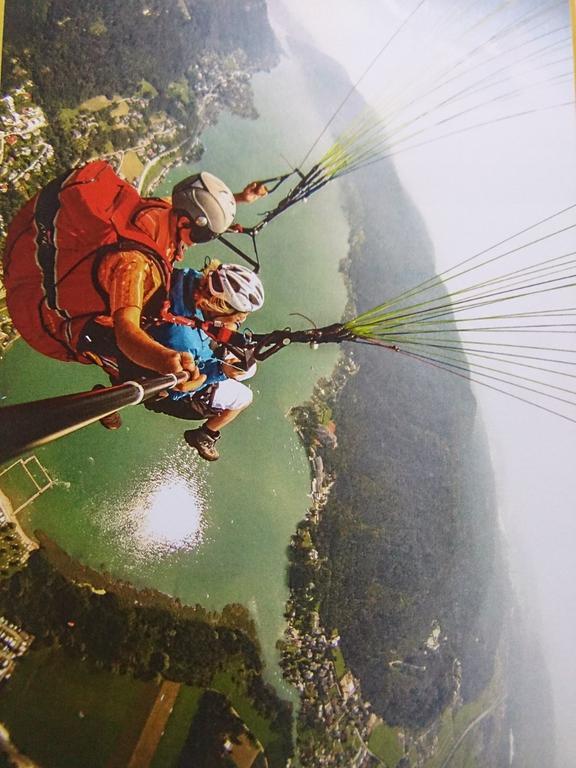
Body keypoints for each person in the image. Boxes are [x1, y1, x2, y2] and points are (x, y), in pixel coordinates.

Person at [3, 160, 267, 459]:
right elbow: (126, 332)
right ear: (184, 224)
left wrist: (241, 199)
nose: (193, 245)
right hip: (58, 321)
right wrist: (166, 359)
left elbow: (191, 212)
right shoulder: (134, 264)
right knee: (128, 362)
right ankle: (106, 398)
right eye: (199, 236)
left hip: (117, 304)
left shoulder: (160, 212)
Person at [92, 260, 265, 461]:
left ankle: (113, 395)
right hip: (161, 383)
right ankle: (204, 435)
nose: (241, 320)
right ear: (219, 305)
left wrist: (225, 329)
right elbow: (180, 390)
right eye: (238, 315)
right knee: (243, 398)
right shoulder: (184, 341)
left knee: (243, 367)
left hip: (140, 341)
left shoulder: (189, 278)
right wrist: (222, 371)